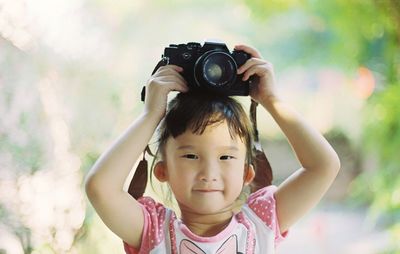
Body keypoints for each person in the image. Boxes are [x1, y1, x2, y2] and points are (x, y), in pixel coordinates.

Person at [84, 44, 341, 253]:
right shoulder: (152, 231)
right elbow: (100, 188)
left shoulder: (261, 223)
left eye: (226, 156)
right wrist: (151, 114)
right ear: (163, 171)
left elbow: (324, 166)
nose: (209, 172)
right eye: (191, 155)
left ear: (247, 173)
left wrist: (271, 100)